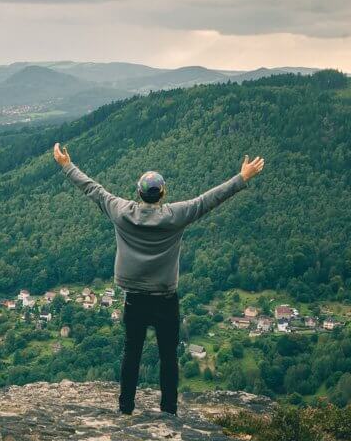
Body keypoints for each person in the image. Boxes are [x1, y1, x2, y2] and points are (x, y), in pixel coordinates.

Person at [52, 142, 264, 415]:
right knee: (168, 357)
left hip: (135, 298)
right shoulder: (175, 216)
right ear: (162, 193)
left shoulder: (121, 211)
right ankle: (169, 411)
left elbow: (93, 189)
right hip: (166, 299)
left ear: (138, 193)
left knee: (131, 353)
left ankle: (125, 408)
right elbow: (208, 200)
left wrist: (66, 165)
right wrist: (241, 178)